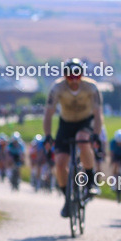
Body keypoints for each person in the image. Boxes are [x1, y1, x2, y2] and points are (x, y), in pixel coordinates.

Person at [42, 58, 104, 217]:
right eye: (70, 77)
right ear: (65, 76)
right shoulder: (57, 88)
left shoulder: (91, 87)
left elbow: (98, 114)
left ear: (82, 75)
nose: (74, 81)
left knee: (83, 140)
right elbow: (48, 114)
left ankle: (90, 180)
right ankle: (67, 198)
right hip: (66, 124)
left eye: (77, 76)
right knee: (60, 163)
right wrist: (48, 136)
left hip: (85, 121)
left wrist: (96, 134)